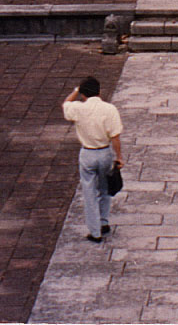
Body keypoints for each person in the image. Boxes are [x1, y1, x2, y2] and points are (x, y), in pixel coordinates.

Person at [62, 75, 124, 242]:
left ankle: (94, 231)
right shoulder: (109, 109)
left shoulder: (78, 109)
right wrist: (119, 157)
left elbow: (66, 104)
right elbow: (115, 137)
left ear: (83, 94)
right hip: (104, 152)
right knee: (104, 188)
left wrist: (76, 90)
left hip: (87, 153)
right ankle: (104, 222)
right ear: (99, 91)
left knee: (89, 192)